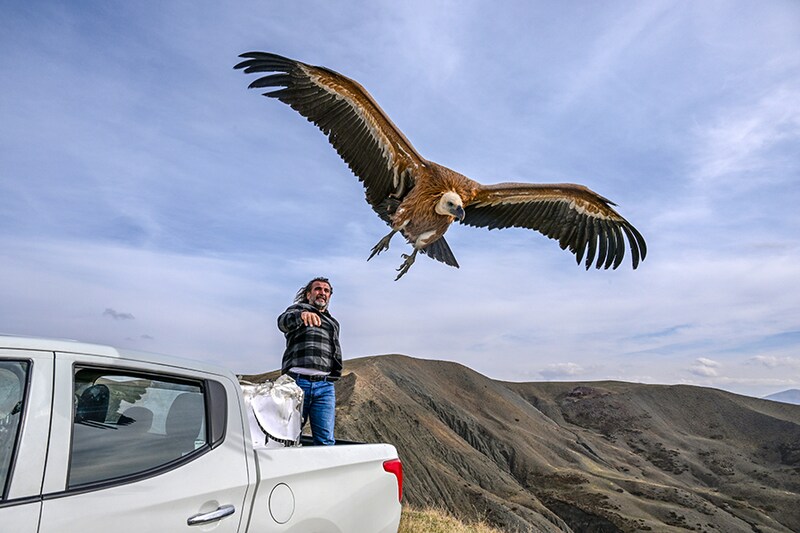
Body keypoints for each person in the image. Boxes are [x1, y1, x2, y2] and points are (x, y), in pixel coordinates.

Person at [277, 277, 342, 445]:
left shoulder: (333, 323)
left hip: (325, 387)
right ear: (308, 294)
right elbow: (282, 322)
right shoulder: (296, 310)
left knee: (326, 440)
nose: (322, 293)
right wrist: (301, 315)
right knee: (287, 438)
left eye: (326, 291)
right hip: (297, 384)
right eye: (318, 289)